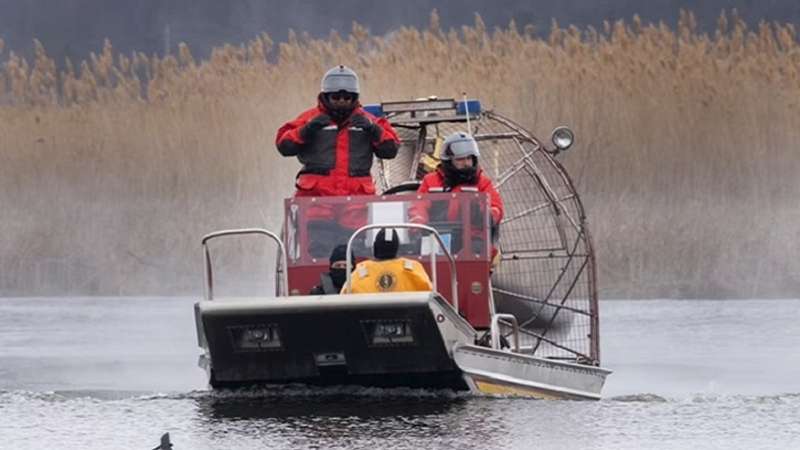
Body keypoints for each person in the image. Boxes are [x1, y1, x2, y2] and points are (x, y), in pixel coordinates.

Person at [276, 65, 400, 257]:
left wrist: (372, 130)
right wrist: (307, 130)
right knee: (318, 255)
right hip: (317, 204)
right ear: (326, 97)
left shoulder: (368, 121)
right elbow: (284, 145)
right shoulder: (310, 119)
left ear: (355, 98)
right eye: (336, 97)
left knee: (358, 255)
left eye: (347, 98)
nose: (341, 102)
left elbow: (391, 148)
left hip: (356, 206)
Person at [409, 132, 504, 257]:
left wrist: (485, 214)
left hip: (471, 239)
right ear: (448, 161)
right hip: (438, 236)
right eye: (460, 159)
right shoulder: (431, 181)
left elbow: (496, 208)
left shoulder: (482, 183)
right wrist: (418, 223)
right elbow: (419, 205)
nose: (466, 163)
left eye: (469, 158)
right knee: (417, 252)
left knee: (475, 253)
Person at [347, 228, 433, 294]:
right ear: (397, 247)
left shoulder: (361, 271)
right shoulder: (413, 268)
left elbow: (345, 297)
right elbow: (430, 294)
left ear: (375, 247)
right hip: (407, 316)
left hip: (368, 317)